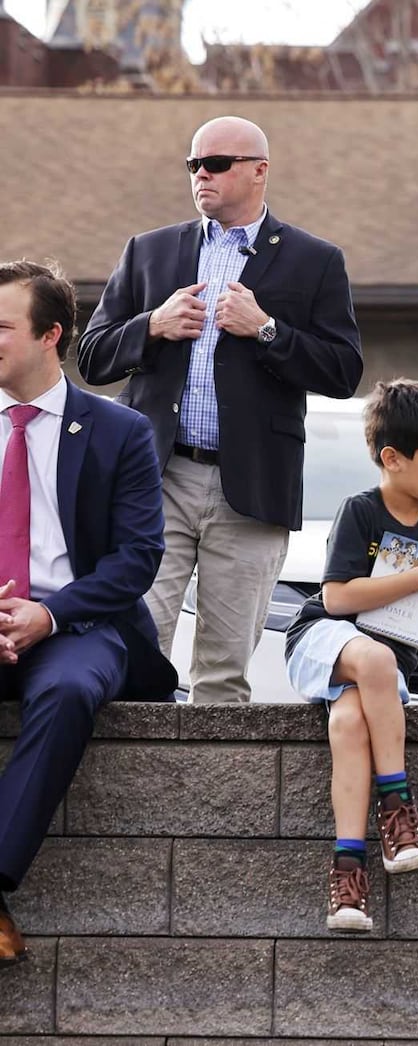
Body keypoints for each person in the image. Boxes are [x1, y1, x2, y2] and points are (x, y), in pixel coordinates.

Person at [78, 116, 363, 705]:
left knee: (225, 669)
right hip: (157, 479)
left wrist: (267, 331)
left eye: (216, 164)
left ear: (259, 171)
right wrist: (151, 326)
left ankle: (208, 796)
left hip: (252, 485)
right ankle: (132, 793)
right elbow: (91, 355)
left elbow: (343, 371)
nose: (201, 175)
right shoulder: (149, 250)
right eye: (193, 165)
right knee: (133, 646)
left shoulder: (314, 260)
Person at [0, 260, 178, 964]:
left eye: (1, 327)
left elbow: (138, 558)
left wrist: (47, 616)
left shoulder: (118, 431)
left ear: (50, 335)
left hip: (78, 624)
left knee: (71, 690)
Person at [281, 379, 418, 933]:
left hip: (379, 665)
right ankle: (398, 807)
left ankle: (348, 877)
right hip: (323, 640)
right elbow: (336, 597)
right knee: (374, 660)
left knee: (349, 724)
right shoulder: (361, 511)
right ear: (391, 459)